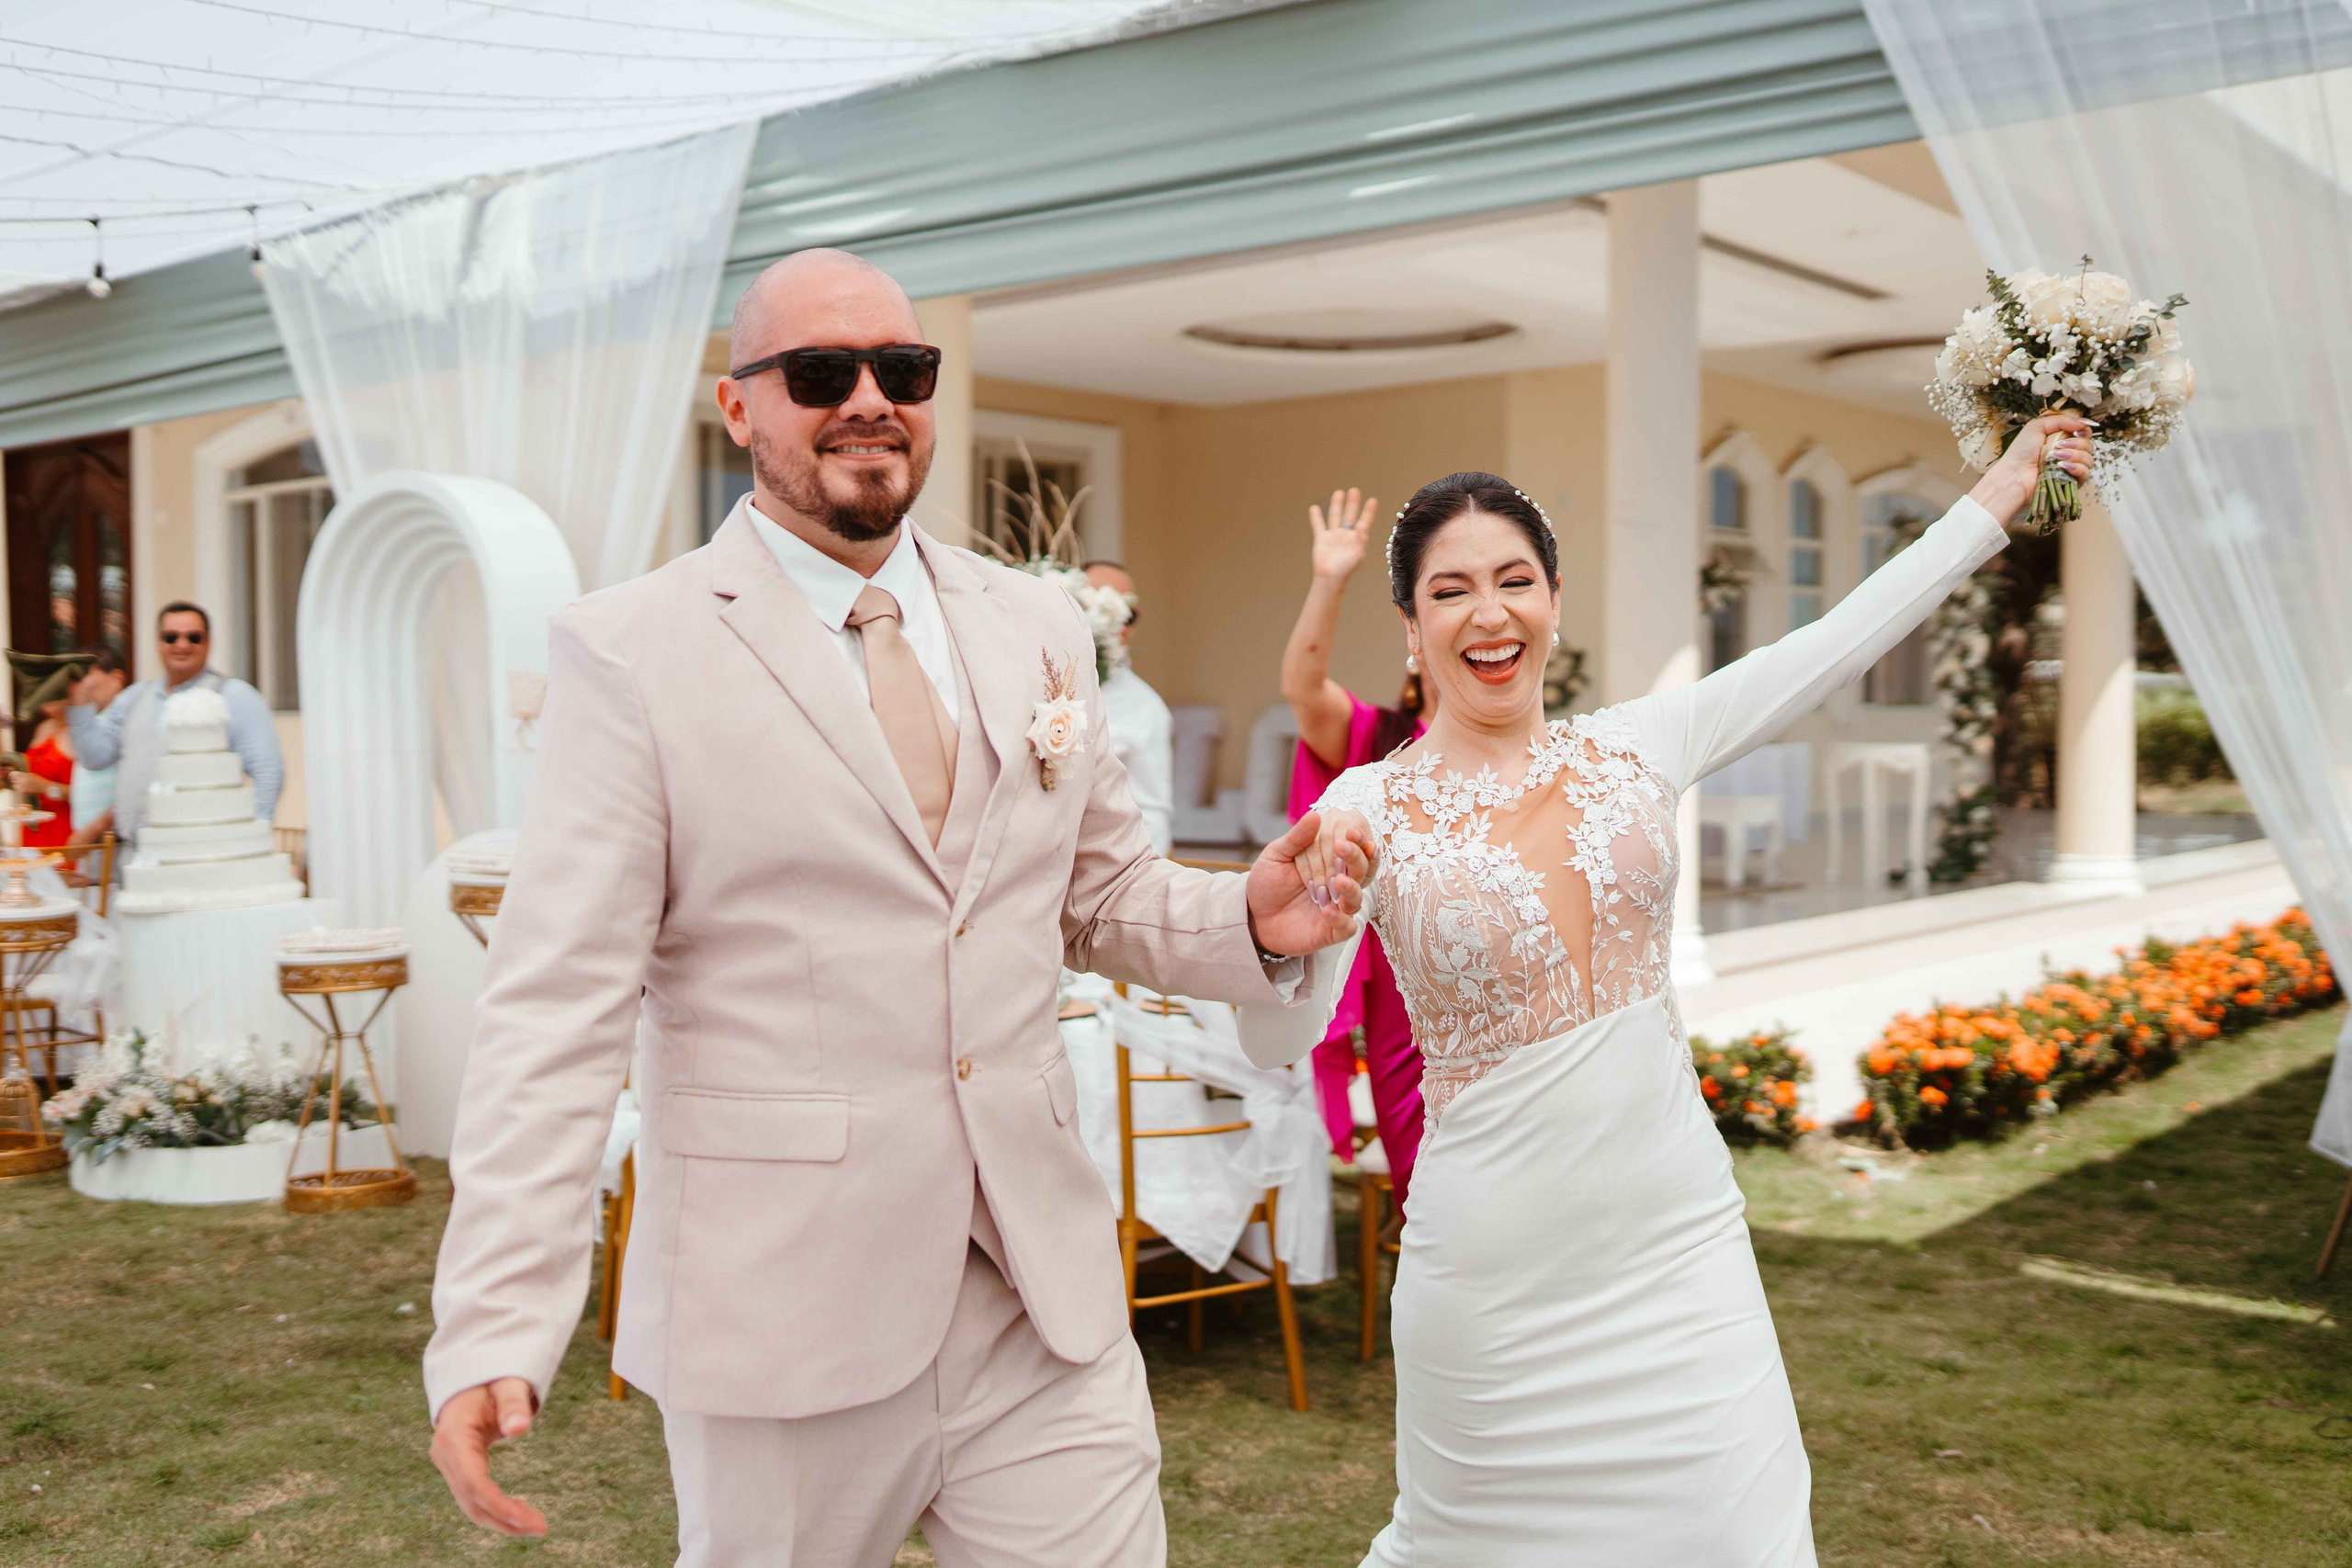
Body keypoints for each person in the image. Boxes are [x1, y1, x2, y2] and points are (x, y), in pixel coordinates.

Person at [424, 247, 1373, 1567]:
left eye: (902, 368)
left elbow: (1097, 891)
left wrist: (1254, 919)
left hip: (1038, 1298)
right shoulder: (632, 651)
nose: (869, 396)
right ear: (739, 406)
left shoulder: (1037, 624)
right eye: (822, 371)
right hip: (782, 1314)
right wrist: (491, 1320)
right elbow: (553, 1008)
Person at [1258, 417, 2092, 1564]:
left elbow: (1841, 637)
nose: (1488, 613)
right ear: (1409, 626)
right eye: (1451, 591)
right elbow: (1283, 1018)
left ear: (1555, 597)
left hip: (1677, 1248)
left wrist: (1995, 495)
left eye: (1514, 579)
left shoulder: (1641, 744)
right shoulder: (1365, 803)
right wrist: (1309, 919)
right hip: (1493, 1275)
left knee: (1738, 1532)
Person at [1280, 486, 1430, 1216]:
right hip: (1407, 1013)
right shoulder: (1376, 739)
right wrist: (1329, 580)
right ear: (1417, 641)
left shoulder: (1526, 756)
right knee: (1431, 1199)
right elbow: (1303, 687)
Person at [66, 604, 280, 847]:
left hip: (201, 854)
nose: (182, 645)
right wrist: (80, 704)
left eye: (194, 637)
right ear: (158, 642)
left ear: (208, 643)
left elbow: (267, 771)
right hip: (134, 855)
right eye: (171, 637)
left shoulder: (235, 695)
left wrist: (254, 841)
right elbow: (95, 757)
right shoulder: (135, 696)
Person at [1081, 559, 1174, 855]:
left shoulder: (1146, 708)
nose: (1115, 621)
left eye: (1128, 613)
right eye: (1097, 604)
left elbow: (1151, 812)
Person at [65, 648, 125, 845]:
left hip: (113, 844)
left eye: (87, 674)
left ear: (116, 679)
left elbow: (135, 789)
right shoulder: (94, 721)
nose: (80, 684)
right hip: (89, 846)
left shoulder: (127, 719)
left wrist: (94, 830)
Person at [11, 694, 75, 849]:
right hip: (33, 824)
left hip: (62, 826)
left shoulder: (78, 733)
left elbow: (86, 795)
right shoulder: (43, 727)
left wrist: (45, 787)